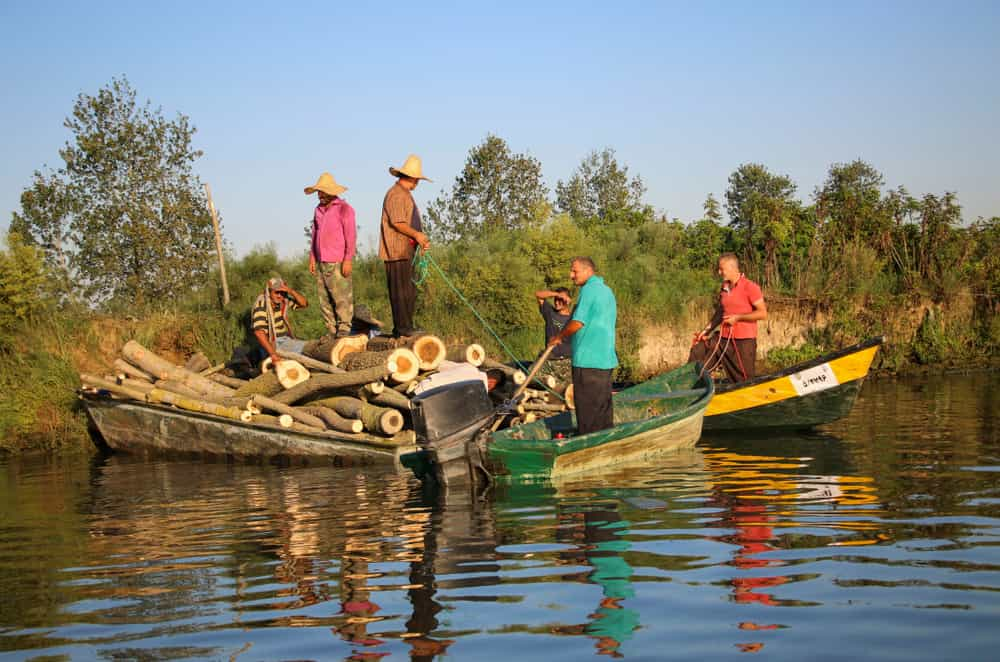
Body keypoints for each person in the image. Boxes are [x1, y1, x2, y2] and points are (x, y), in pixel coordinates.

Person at [548, 257, 618, 434]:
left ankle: (587, 445)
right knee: (603, 410)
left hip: (588, 362)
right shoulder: (606, 290)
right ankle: (605, 443)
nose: (571, 275)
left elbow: (578, 322)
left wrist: (559, 337)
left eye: (575, 271)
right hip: (606, 360)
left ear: (588, 271)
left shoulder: (588, 290)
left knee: (587, 413)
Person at [688, 253, 767, 383]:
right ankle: (690, 387)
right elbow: (720, 312)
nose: (719, 272)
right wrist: (705, 331)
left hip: (743, 342)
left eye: (721, 269)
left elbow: (762, 313)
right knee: (698, 350)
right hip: (722, 340)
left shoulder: (750, 287)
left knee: (744, 381)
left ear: (732, 268)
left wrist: (738, 318)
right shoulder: (724, 287)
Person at [379, 154, 431, 337]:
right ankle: (402, 329)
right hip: (397, 251)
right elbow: (398, 223)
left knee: (408, 292)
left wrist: (420, 240)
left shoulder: (405, 194)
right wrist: (417, 234)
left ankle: (407, 326)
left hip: (407, 251)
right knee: (400, 292)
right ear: (414, 178)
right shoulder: (396, 194)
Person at [306, 172, 356, 338]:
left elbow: (350, 235)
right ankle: (331, 329)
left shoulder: (345, 209)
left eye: (323, 191)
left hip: (338, 260)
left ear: (332, 192)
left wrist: (348, 259)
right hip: (321, 259)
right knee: (324, 299)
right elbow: (314, 234)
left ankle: (344, 328)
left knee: (341, 296)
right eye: (318, 191)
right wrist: (312, 257)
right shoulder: (318, 210)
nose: (320, 195)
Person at [251, 276, 308, 365]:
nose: (279, 295)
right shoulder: (262, 305)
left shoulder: (283, 301)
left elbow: (304, 304)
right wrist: (273, 354)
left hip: (284, 340)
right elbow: (259, 332)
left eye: (282, 293)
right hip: (272, 343)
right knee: (306, 348)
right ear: (269, 292)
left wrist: (291, 291)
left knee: (305, 347)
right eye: (277, 292)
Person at [534, 287, 573, 359]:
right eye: (555, 299)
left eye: (560, 300)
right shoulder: (550, 311)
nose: (556, 302)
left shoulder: (574, 318)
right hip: (550, 356)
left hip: (568, 358)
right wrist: (557, 294)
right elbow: (538, 294)